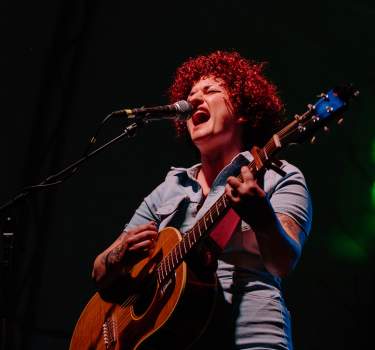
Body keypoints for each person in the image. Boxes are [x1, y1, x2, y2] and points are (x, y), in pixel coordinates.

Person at [92, 50, 312, 349]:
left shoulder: (278, 176)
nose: (195, 99)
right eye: (192, 94)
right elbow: (100, 272)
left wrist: (261, 216)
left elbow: (283, 262)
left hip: (249, 339)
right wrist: (122, 256)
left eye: (210, 91)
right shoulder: (169, 189)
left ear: (242, 111)